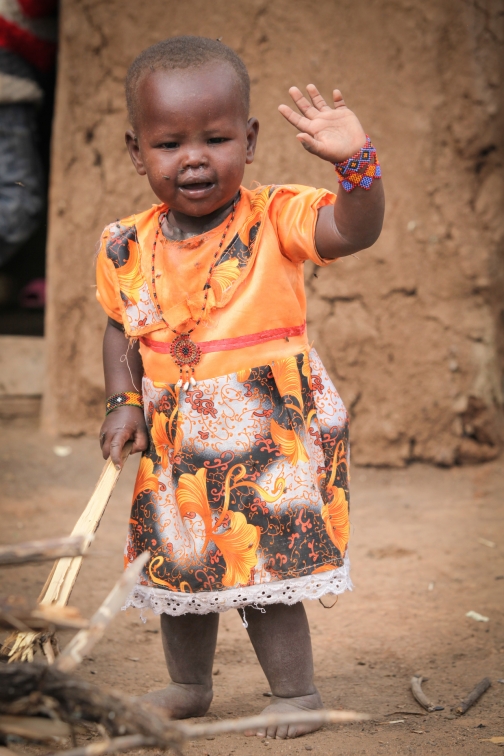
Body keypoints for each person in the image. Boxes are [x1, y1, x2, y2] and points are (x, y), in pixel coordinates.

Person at [96, 36, 384, 740]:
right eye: (169, 144)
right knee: (178, 565)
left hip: (267, 439)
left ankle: (296, 693)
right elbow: (119, 332)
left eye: (216, 138)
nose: (194, 157)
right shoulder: (124, 245)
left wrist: (356, 166)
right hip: (174, 439)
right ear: (138, 152)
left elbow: (354, 230)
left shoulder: (276, 218)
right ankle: (190, 685)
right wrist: (124, 402)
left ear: (250, 140)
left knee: (266, 567)